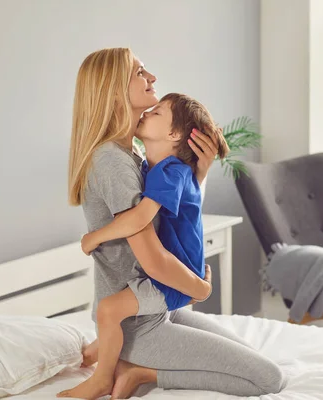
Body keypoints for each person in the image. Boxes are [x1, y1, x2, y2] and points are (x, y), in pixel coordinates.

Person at [58, 48, 284, 400]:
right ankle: (140, 370)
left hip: (156, 310)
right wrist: (200, 289)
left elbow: (175, 217)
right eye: (140, 72)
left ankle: (130, 365)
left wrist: (199, 174)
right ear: (114, 88)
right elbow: (152, 259)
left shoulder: (134, 155)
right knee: (267, 379)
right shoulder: (112, 163)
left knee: (254, 358)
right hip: (138, 324)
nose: (152, 79)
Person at [61, 93, 230, 399]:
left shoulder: (167, 171)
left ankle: (107, 377)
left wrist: (94, 237)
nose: (148, 113)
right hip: (175, 277)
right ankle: (99, 354)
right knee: (111, 312)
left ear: (173, 134)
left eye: (157, 113)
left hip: (172, 280)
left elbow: (139, 218)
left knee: (109, 310)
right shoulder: (147, 165)